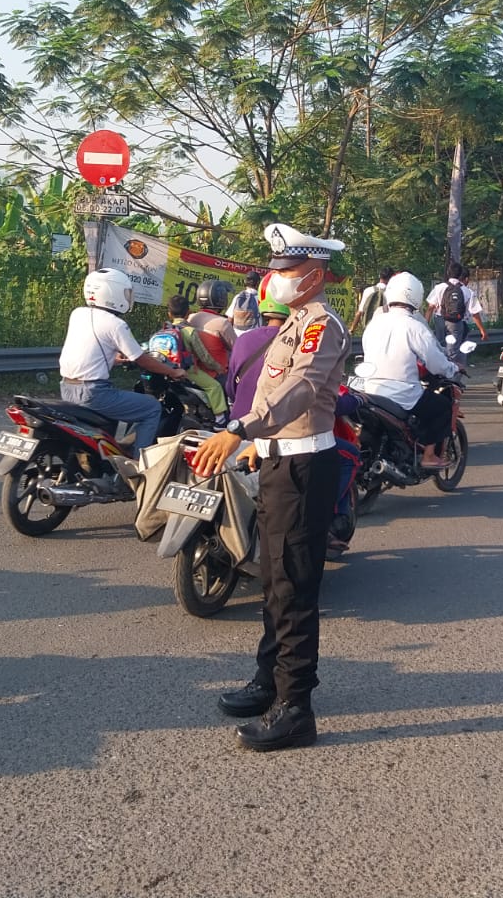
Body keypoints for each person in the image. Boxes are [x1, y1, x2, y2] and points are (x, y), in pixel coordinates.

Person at [191, 223, 349, 753]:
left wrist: (239, 429)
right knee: (274, 579)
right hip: (279, 459)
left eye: (289, 270)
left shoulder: (322, 325)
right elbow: (269, 389)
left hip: (305, 466)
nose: (277, 278)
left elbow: (300, 388)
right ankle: (269, 681)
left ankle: (295, 707)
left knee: (294, 586)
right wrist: (258, 441)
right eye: (276, 269)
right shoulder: (293, 323)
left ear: (315, 275)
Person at [58, 268, 187, 453]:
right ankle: (138, 463)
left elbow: (90, 349)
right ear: (112, 292)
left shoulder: (78, 313)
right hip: (94, 393)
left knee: (113, 416)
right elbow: (142, 359)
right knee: (152, 408)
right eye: (126, 293)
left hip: (66, 388)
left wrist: (114, 359)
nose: (127, 297)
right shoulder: (116, 324)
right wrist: (173, 371)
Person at [352, 271, 459, 466]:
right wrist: (452, 369)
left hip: (371, 390)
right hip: (403, 395)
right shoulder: (414, 326)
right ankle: (429, 456)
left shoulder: (374, 323)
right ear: (416, 296)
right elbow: (435, 362)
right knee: (442, 407)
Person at [154, 294, 228, 425]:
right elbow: (204, 357)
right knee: (214, 386)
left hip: (165, 369)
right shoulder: (190, 331)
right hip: (188, 371)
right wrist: (218, 368)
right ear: (188, 312)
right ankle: (220, 419)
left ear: (169, 314)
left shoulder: (164, 329)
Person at [225, 293, 291, 419]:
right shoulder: (298, 344)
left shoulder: (243, 339)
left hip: (240, 423)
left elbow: (231, 389)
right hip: (277, 425)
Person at [427, 264, 487, 358]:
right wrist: (482, 331)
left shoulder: (439, 287)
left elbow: (430, 307)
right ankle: (451, 366)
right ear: (460, 275)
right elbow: (475, 313)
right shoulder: (467, 291)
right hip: (455, 323)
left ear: (448, 273)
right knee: (452, 351)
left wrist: (425, 324)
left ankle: (439, 365)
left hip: (439, 321)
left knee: (440, 348)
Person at [351, 268, 394, 334]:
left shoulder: (368, 290)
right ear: (392, 278)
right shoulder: (393, 293)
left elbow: (360, 312)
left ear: (380, 276)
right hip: (385, 331)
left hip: (368, 329)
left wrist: (352, 329)